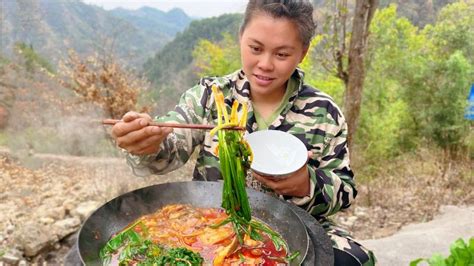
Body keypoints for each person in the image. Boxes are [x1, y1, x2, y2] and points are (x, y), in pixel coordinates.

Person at [111, 0, 376, 265]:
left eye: (282, 54)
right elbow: (169, 143)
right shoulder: (210, 96)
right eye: (255, 48)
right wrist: (146, 143)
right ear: (241, 38)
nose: (265, 64)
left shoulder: (324, 113)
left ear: (302, 53)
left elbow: (345, 190)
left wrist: (306, 183)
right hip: (212, 222)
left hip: (297, 225)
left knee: (356, 259)